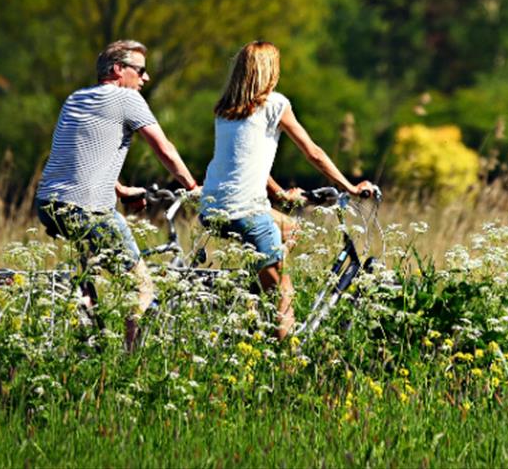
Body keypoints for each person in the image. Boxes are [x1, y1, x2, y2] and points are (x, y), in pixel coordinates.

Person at [200, 40, 376, 340]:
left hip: (212, 206)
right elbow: (313, 152)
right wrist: (350, 187)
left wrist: (279, 193)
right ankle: (287, 364)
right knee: (285, 293)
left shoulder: (225, 110)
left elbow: (244, 161)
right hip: (246, 210)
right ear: (270, 71)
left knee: (290, 227)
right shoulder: (275, 104)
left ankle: (253, 300)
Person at [35, 40, 199, 346]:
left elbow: (83, 155)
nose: (145, 79)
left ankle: (86, 337)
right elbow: (164, 149)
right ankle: (129, 362)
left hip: (47, 203)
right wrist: (191, 186)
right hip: (87, 209)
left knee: (89, 279)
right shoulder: (127, 99)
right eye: (140, 71)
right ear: (118, 70)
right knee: (141, 287)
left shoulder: (75, 99)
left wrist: (121, 189)